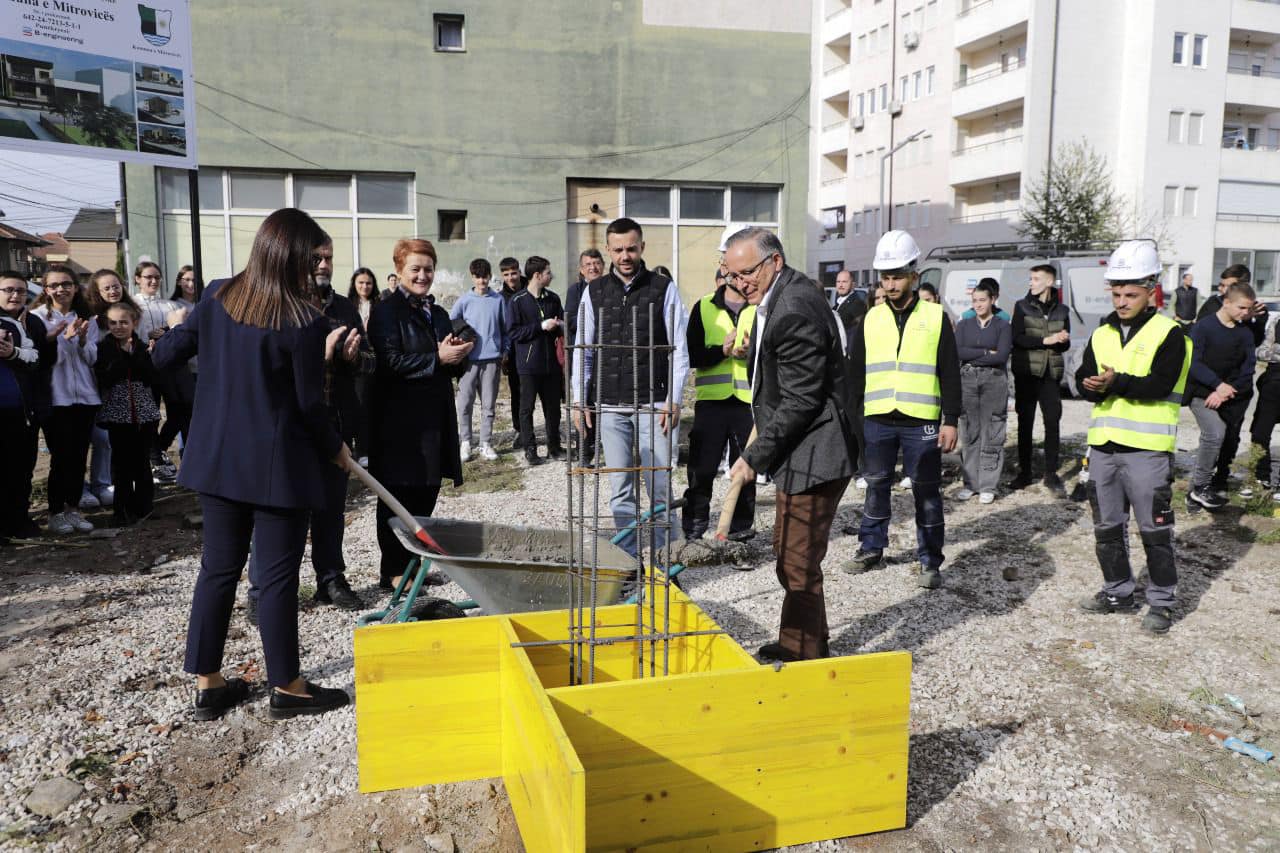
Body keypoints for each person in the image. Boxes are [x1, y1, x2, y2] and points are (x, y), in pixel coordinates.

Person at [152, 207, 351, 720]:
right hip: (276, 469)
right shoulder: (305, 321)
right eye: (312, 260)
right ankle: (287, 686)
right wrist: (336, 447)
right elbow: (309, 406)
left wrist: (177, 328)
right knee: (279, 577)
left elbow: (164, 358)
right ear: (290, 257)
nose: (316, 270)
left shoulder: (216, 295)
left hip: (215, 461)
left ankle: (209, 682)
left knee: (218, 569)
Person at [724, 228, 855, 661]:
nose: (739, 283)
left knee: (797, 560)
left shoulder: (794, 305)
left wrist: (752, 459)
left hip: (818, 449)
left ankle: (804, 657)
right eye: (731, 276)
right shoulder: (775, 298)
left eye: (746, 273)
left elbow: (802, 399)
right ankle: (804, 641)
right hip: (799, 448)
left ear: (774, 262)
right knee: (787, 552)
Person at [248, 238, 371, 618]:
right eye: (315, 257)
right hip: (286, 428)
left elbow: (369, 362)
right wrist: (322, 355)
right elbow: (268, 365)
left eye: (328, 258)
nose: (322, 265)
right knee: (276, 513)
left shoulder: (344, 307)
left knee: (331, 509)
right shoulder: (277, 307)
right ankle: (261, 591)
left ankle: (331, 579)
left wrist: (352, 358)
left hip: (332, 422)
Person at [1075, 241, 1191, 635]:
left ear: (1151, 290)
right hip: (1104, 447)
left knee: (1155, 531)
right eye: (1117, 292)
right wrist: (1089, 383)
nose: (1122, 301)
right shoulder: (1103, 331)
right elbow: (1083, 377)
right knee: (1107, 528)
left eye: (1131, 294)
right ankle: (1117, 593)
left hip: (1147, 451)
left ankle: (1161, 601)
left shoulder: (1170, 334)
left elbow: (1161, 384)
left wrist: (1114, 381)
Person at [845, 231, 960, 590]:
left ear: (914, 274)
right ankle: (871, 548)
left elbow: (949, 372)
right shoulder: (870, 319)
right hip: (877, 419)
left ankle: (930, 561)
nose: (890, 283)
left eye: (896, 275)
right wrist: (855, 420)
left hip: (920, 421)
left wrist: (951, 420)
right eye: (885, 276)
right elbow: (855, 375)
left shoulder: (937, 317)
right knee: (876, 486)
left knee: (926, 492)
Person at [572, 217, 690, 560]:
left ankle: (668, 557)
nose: (625, 256)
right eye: (618, 249)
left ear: (642, 247)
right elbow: (584, 349)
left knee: (659, 486)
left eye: (631, 248)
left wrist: (673, 398)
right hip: (610, 405)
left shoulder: (663, 288)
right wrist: (581, 399)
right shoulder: (594, 292)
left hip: (653, 402)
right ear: (608, 250)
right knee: (620, 488)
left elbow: (677, 348)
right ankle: (628, 561)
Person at [368, 238, 473, 588]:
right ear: (399, 271)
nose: (423, 275)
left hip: (434, 419)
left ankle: (413, 567)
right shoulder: (386, 312)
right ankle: (393, 570)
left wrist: (459, 357)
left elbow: (449, 363)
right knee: (398, 497)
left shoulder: (439, 313)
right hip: (399, 423)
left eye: (428, 269)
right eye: (415, 269)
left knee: (426, 493)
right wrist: (437, 360)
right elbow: (389, 363)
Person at [682, 264, 756, 540]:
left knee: (745, 474)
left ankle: (739, 535)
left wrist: (751, 352)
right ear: (726, 276)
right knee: (701, 470)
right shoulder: (703, 307)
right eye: (736, 274)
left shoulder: (758, 308)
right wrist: (721, 351)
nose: (742, 280)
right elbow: (692, 354)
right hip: (711, 403)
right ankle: (693, 531)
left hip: (746, 404)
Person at [31, 264, 100, 535]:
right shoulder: (37, 318)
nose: (61, 289)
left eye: (67, 284)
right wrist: (62, 341)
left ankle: (73, 509)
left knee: (79, 455)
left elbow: (93, 359)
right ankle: (55, 512)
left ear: (76, 287)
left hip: (85, 396)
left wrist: (81, 342)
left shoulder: (87, 318)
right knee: (61, 457)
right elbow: (41, 361)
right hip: (55, 397)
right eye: (55, 285)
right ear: (46, 290)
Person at [1185, 282, 1257, 510]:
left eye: (1249, 309)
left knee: (1229, 440)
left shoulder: (1245, 333)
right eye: (1241, 308)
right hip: (1202, 394)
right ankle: (1199, 487)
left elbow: (1248, 369)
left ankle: (1214, 484)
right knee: (1215, 433)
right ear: (1226, 302)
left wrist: (1225, 391)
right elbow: (1193, 364)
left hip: (1231, 395)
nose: (1246, 313)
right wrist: (1216, 385)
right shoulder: (1203, 327)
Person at [94, 302, 161, 526]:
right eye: (113, 322)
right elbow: (107, 378)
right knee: (121, 463)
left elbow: (150, 376)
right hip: (117, 415)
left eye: (124, 322)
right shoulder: (103, 348)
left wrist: (136, 356)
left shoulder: (141, 347)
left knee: (141, 461)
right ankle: (121, 509)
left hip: (144, 413)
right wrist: (125, 358)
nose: (119, 326)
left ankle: (144, 507)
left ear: (134, 323)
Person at [0, 270, 52, 541]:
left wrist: (12, 353)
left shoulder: (19, 324)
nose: (15, 295)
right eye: (8, 289)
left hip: (20, 413)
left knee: (20, 471)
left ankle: (18, 523)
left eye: (20, 291)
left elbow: (34, 358)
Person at [82, 269, 140, 510]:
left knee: (111, 439)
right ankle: (88, 486)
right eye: (106, 288)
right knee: (95, 437)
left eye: (116, 285)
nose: (113, 291)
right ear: (96, 292)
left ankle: (106, 483)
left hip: (123, 385)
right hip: (94, 383)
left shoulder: (131, 311)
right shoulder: (92, 318)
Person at [1010, 264, 1070, 493]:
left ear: (1049, 282)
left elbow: (1065, 345)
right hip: (1027, 373)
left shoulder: (1063, 311)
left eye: (1036, 279)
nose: (1031, 282)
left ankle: (1051, 474)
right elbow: (1017, 338)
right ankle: (1024, 473)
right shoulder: (1022, 306)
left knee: (1052, 422)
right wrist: (1046, 340)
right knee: (1025, 425)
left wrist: (1063, 340)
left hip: (1050, 374)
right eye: (1031, 278)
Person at [955, 280, 1012, 505]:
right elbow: (958, 351)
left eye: (982, 300)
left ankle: (988, 484)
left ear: (992, 300)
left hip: (994, 380)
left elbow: (1001, 356)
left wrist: (975, 354)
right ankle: (970, 483)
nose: (978, 305)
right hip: (967, 379)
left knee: (993, 431)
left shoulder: (1002, 326)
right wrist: (987, 351)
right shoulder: (964, 325)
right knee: (969, 431)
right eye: (975, 301)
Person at [507, 256, 565, 465]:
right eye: (548, 272)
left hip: (551, 364)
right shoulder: (517, 301)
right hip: (529, 365)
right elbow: (513, 332)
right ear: (537, 275)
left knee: (553, 408)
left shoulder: (553, 299)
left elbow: (561, 323)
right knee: (526, 408)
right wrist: (540, 326)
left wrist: (559, 325)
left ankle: (555, 447)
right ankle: (530, 449)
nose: (552, 276)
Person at [133, 262, 184, 482]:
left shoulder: (169, 305)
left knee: (179, 412)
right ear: (138, 279)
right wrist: (154, 335)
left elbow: (179, 334)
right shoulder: (132, 304)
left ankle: (158, 452)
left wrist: (164, 333)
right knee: (150, 416)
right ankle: (153, 461)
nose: (153, 281)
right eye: (148, 277)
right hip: (145, 367)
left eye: (156, 277)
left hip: (169, 367)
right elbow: (134, 335)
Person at [452, 258, 507, 462]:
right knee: (464, 403)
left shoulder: (498, 300)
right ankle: (466, 442)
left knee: (488, 404)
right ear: (472, 276)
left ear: (490, 276)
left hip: (492, 360)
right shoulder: (464, 300)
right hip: (468, 361)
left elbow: (505, 327)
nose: (482, 281)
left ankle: (485, 443)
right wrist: (461, 340)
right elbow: (452, 320)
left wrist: (504, 350)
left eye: (485, 276)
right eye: (478, 277)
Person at [565, 249, 604, 466]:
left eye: (596, 263)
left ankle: (602, 444)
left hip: (605, 353)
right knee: (583, 402)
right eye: (588, 264)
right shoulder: (576, 291)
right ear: (582, 269)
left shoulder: (610, 289)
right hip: (583, 352)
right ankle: (584, 452)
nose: (593, 267)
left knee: (604, 401)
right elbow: (570, 319)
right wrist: (588, 324)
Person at [1198, 264, 1268, 346]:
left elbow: (1256, 342)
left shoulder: (1258, 309)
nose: (1220, 289)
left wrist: (1246, 321)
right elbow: (1199, 331)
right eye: (1220, 284)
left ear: (1242, 286)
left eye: (1225, 286)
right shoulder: (1213, 302)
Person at [1250, 313, 1280, 500]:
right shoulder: (1277, 322)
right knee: (1260, 432)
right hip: (1273, 384)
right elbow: (1261, 352)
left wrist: (1275, 351)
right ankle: (1262, 476)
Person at [497, 257, 525, 449]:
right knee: (516, 392)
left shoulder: (529, 291)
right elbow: (501, 327)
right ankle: (520, 430)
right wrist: (503, 354)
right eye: (506, 274)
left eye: (513, 273)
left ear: (519, 272)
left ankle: (549, 429)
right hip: (513, 353)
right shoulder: (500, 298)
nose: (511, 277)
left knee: (534, 392)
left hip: (531, 348)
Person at [832, 269, 866, 338]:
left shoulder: (857, 304)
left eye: (844, 282)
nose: (840, 285)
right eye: (838, 282)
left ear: (853, 284)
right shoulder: (838, 303)